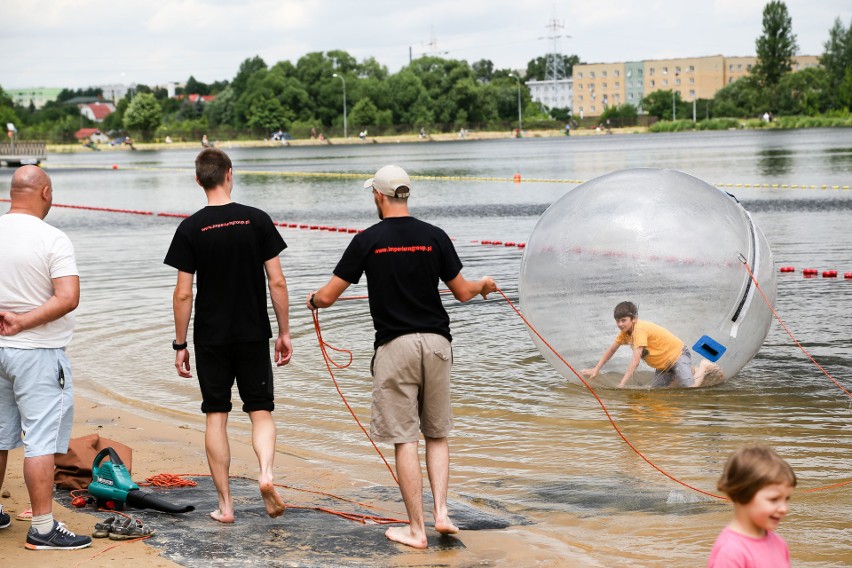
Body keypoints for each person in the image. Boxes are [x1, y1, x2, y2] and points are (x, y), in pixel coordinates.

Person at [308, 164, 497, 549]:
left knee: (404, 438)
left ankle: (417, 529)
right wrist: (483, 286)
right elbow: (462, 291)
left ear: (378, 196)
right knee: (437, 434)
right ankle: (442, 512)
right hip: (437, 344)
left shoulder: (367, 240)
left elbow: (327, 297)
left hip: (396, 347)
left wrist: (312, 300)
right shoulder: (435, 236)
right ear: (405, 195)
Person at [164, 148, 292, 524]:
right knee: (261, 410)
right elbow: (278, 281)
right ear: (229, 174)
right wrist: (284, 332)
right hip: (253, 331)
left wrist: (180, 343)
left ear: (199, 180)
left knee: (216, 416)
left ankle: (226, 506)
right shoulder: (257, 220)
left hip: (211, 337)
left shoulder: (190, 228)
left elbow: (183, 292)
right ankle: (266, 474)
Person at [0, 166, 92, 550]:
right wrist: (21, 321)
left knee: (0, 436)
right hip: (36, 353)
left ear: (11, 193)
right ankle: (41, 528)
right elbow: (68, 297)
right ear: (47, 193)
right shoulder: (53, 238)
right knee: (39, 441)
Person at [581, 301, 722, 388]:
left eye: (623, 320)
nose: (620, 324)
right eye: (617, 321)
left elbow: (635, 361)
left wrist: (622, 383)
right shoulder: (625, 333)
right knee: (657, 392)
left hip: (678, 355)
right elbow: (611, 350)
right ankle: (687, 371)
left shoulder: (640, 330)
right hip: (663, 366)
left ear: (634, 319)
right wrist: (596, 368)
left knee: (689, 388)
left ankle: (704, 366)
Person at [708, 445, 796, 567]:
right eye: (774, 499)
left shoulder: (779, 543)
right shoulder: (730, 552)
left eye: (786, 499)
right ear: (743, 493)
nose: (784, 509)